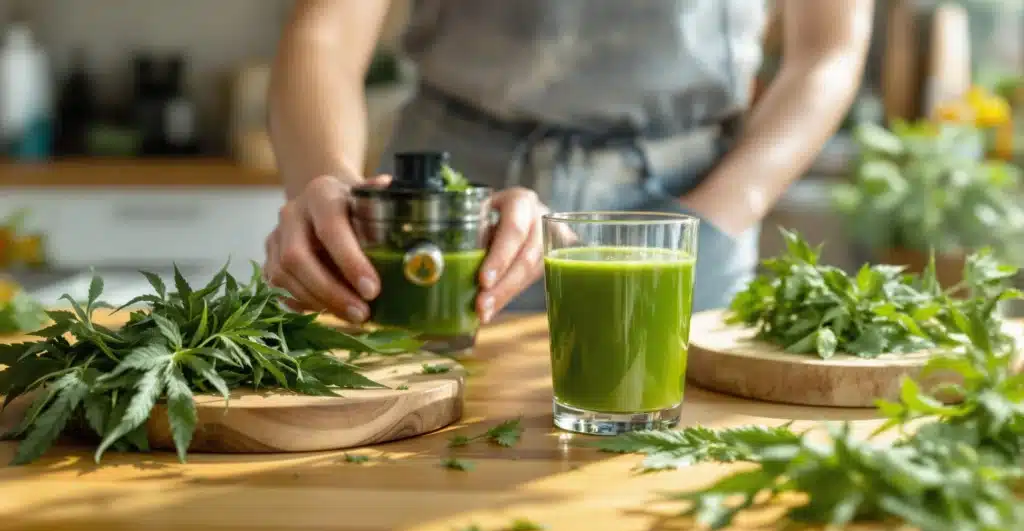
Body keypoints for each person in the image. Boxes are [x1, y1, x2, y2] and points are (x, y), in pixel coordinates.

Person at [264, 0, 873, 324]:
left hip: (689, 212)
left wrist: (720, 213)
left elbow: (828, 52)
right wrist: (331, 190)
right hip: (447, 217)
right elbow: (325, 35)